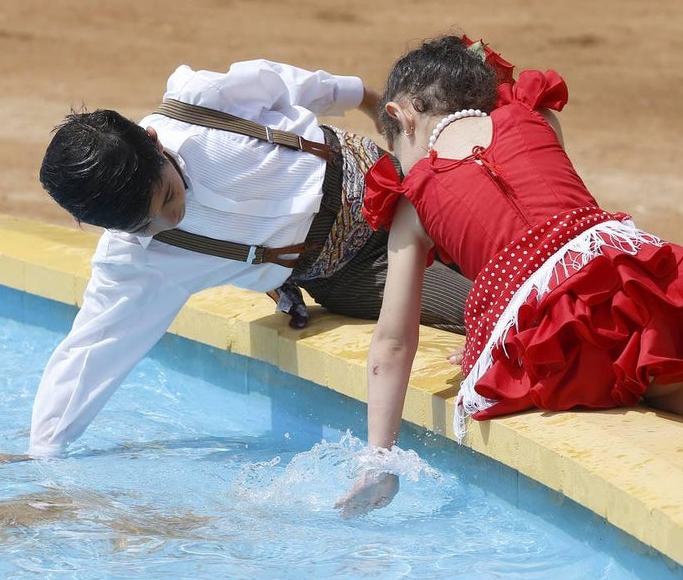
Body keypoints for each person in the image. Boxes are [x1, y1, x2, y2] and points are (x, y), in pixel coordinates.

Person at [334, 34, 683, 517]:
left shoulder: (412, 200)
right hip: (643, 303)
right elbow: (554, 242)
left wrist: (379, 460)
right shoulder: (536, 117)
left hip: (556, 351)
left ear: (400, 117)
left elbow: (393, 344)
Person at [30, 59, 474, 457]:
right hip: (352, 271)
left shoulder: (197, 102)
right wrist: (43, 453)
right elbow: (89, 353)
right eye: (144, 226)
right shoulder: (133, 263)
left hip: (395, 180)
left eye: (166, 196)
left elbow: (284, 84)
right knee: (479, 306)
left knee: (505, 241)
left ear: (154, 141)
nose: (168, 220)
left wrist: (365, 98)